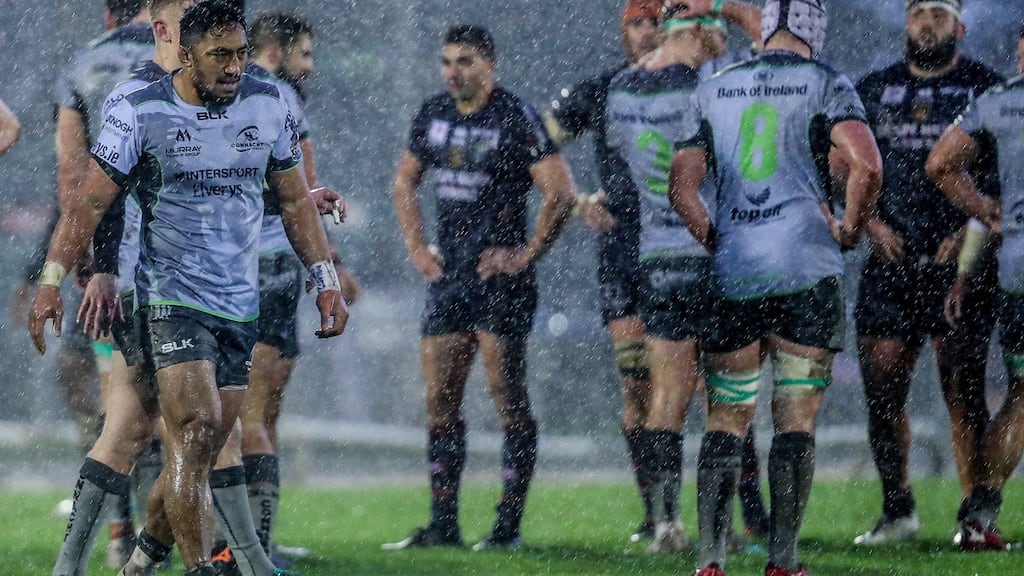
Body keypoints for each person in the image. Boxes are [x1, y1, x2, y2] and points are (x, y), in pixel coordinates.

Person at [27, 3, 348, 576]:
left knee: (199, 448)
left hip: (237, 301)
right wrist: (59, 278)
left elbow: (292, 197)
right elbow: (92, 196)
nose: (232, 68)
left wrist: (324, 278)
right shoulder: (138, 102)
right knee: (178, 426)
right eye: (219, 55)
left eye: (240, 54)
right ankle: (209, 564)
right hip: (160, 295)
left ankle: (143, 561)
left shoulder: (268, 101)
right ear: (181, 44)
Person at [670, 0, 882, 573]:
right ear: (817, 28)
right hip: (806, 270)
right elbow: (868, 166)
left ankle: (710, 560)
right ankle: (783, 561)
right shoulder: (826, 82)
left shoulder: (716, 86)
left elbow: (682, 189)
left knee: (726, 416)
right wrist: (850, 231)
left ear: (765, 29)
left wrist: (718, 239)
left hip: (735, 270)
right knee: (795, 420)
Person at [383, 24, 576, 551]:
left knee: (506, 397)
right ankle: (443, 524)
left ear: (490, 66)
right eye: (447, 62)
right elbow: (404, 180)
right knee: (440, 398)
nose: (453, 72)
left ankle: (506, 528)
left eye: (464, 61)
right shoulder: (433, 113)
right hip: (450, 280)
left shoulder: (515, 116)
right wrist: (418, 247)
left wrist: (527, 253)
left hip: (500, 281)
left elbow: (560, 192)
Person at [603, 0, 761, 554]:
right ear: (700, 30)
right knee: (729, 398)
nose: (725, 42)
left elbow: (627, 160)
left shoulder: (621, 91)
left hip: (657, 258)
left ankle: (666, 524)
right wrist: (736, 12)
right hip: (716, 255)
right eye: (716, 33)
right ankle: (719, 528)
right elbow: (775, 56)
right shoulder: (711, 87)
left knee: (665, 397)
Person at [851, 0, 1004, 545]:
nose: (927, 23)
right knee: (882, 394)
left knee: (963, 394)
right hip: (892, 262)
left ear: (959, 25)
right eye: (918, 12)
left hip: (959, 268)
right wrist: (868, 223)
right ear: (906, 23)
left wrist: (974, 225)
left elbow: (1008, 170)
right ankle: (898, 512)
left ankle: (974, 515)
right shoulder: (870, 89)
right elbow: (841, 164)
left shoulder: (988, 88)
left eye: (939, 13)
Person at [237, 11, 361, 566]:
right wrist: (329, 263)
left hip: (251, 265)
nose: (309, 66)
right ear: (276, 50)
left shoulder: (228, 91)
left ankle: (245, 539)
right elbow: (302, 190)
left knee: (247, 413)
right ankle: (247, 545)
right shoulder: (279, 96)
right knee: (257, 415)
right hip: (270, 266)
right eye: (304, 53)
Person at [38, 1, 156, 570]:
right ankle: (173, 542)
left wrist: (81, 256)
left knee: (115, 404)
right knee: (173, 408)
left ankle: (117, 534)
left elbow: (72, 174)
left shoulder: (84, 64)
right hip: (177, 258)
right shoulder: (177, 60)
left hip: (113, 260)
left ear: (110, 14)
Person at [542, 0, 660, 543]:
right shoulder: (604, 89)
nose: (647, 31)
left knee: (711, 390)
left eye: (657, 20)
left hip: (690, 250)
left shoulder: (703, 86)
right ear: (624, 32)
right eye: (638, 22)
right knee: (637, 388)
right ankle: (657, 515)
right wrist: (577, 196)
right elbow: (533, 141)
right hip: (623, 256)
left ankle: (740, 517)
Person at [926, 52, 1024, 550]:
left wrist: (986, 209)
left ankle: (979, 515)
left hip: (1018, 269)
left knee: (1022, 395)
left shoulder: (998, 102)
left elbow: (940, 163)